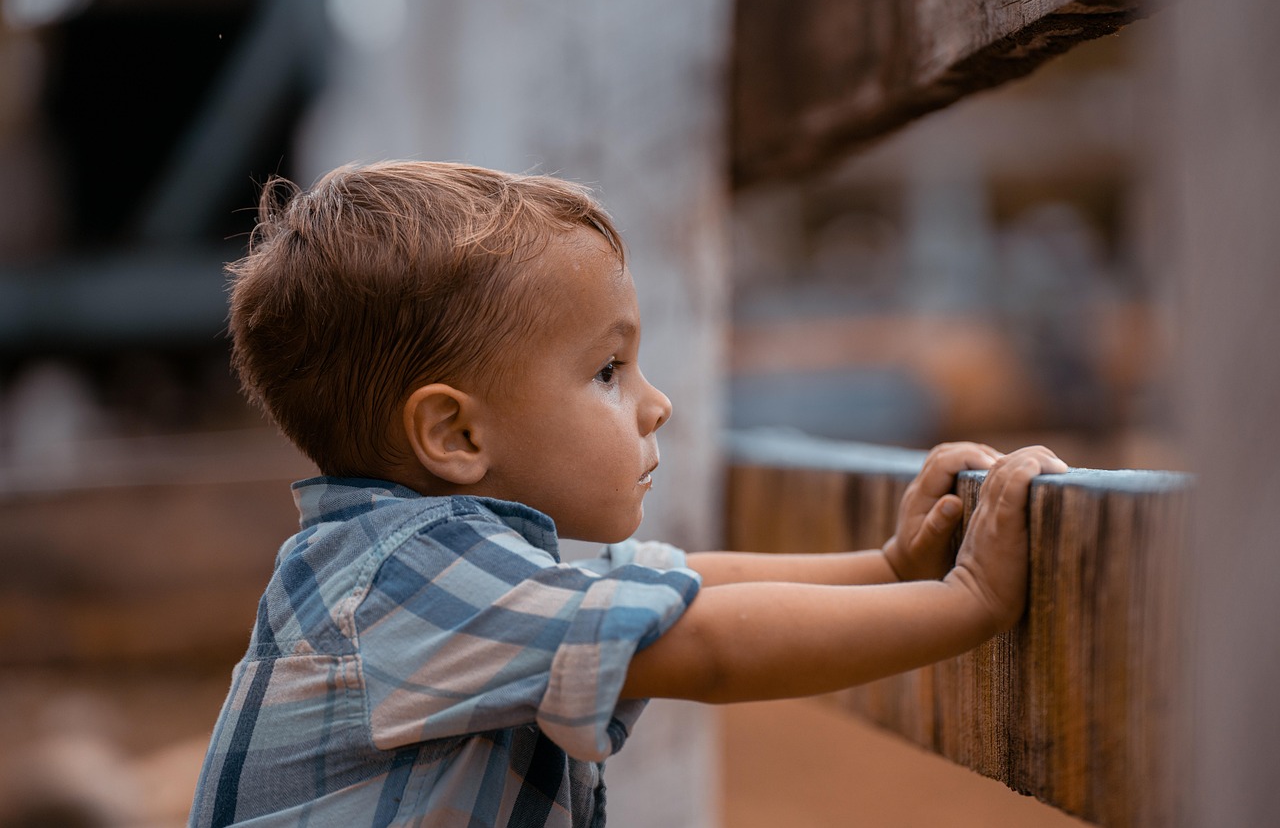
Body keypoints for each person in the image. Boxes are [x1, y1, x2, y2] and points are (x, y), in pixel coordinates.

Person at [189, 160, 1067, 828]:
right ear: (456, 436)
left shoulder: (441, 563)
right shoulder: (402, 581)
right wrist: (971, 603)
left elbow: (678, 583)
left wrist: (887, 569)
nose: (657, 403)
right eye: (608, 370)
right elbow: (706, 647)